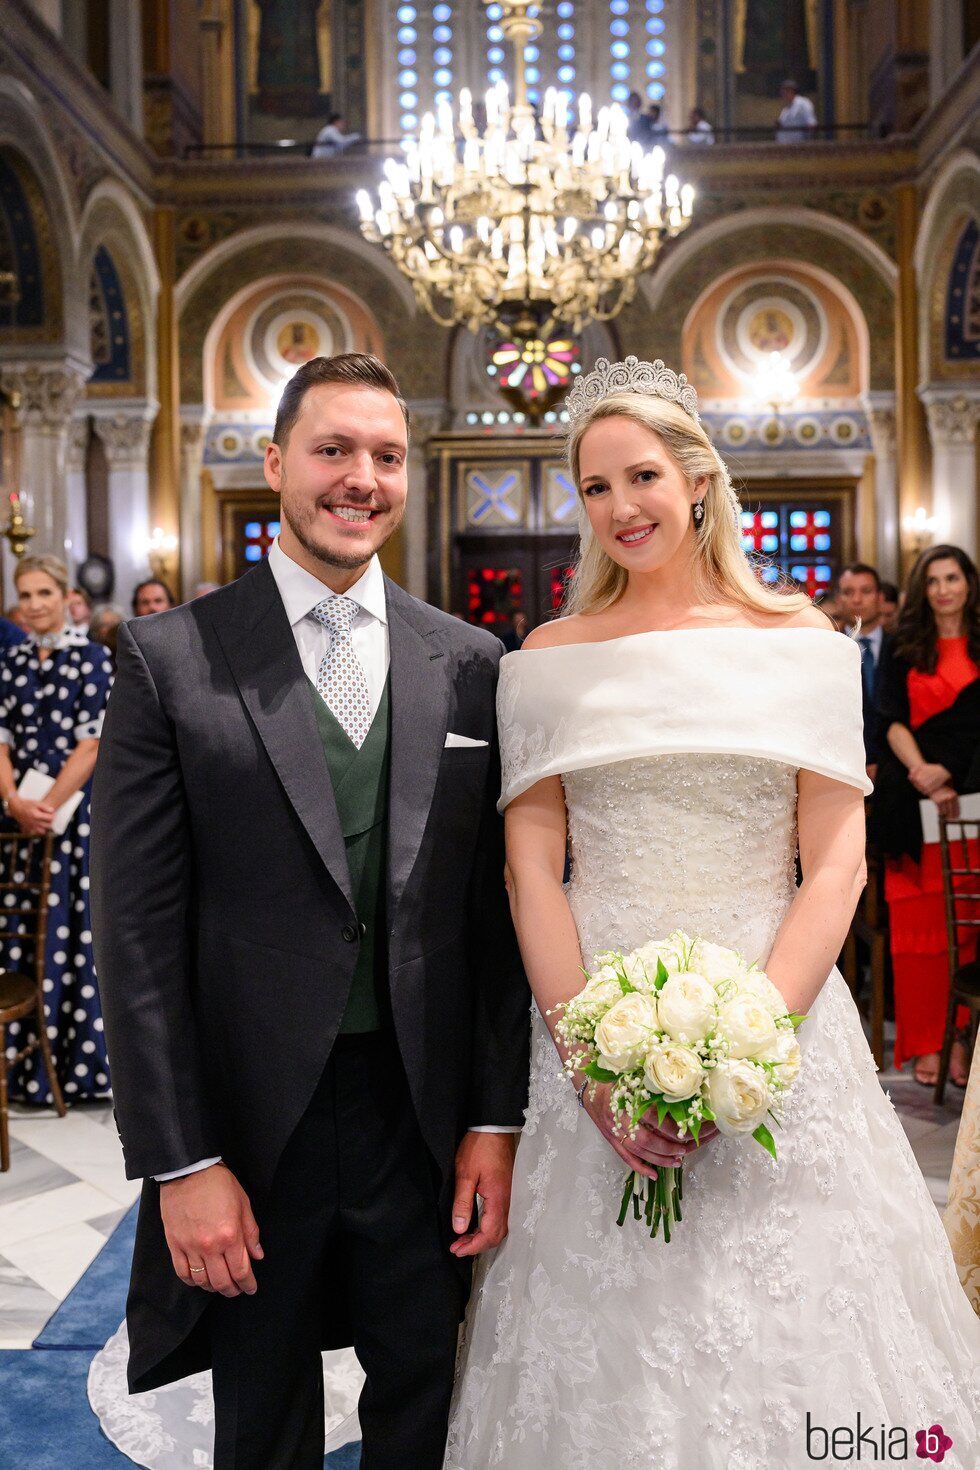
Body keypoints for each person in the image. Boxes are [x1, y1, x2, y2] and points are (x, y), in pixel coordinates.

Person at [445, 358, 980, 1467]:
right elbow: (530, 872)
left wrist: (752, 1041)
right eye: (592, 488)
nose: (618, 508)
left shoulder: (805, 651)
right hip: (589, 1026)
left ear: (695, 478)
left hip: (777, 1025)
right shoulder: (541, 662)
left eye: (638, 475)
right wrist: (589, 1063)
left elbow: (830, 870)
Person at [90, 352, 528, 1470]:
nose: (360, 478)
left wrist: (494, 1119)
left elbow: (487, 926)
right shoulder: (172, 657)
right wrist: (181, 1164)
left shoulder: (471, 663)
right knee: (264, 1422)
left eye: (385, 456)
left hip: (417, 1117)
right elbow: (135, 937)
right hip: (250, 1129)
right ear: (277, 462)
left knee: (422, 1407)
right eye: (333, 450)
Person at [0, 554, 113, 1104]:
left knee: (74, 934)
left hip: (72, 822)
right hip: (19, 821)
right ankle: (22, 1069)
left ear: (64, 595)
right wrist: (14, 801)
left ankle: (77, 1068)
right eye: (25, 594)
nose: (34, 604)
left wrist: (47, 804)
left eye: (43, 592)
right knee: (22, 938)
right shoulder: (9, 662)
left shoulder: (93, 659)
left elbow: (92, 742)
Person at [872, 545, 980, 1087]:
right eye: (933, 580)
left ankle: (963, 1043)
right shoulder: (903, 645)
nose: (943, 589)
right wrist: (922, 772)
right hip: (911, 808)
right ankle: (922, 1045)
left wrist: (951, 775)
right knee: (919, 937)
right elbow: (888, 718)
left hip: (971, 805)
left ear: (968, 583)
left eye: (952, 578)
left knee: (966, 934)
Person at [837, 561, 892, 779]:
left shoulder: (904, 649)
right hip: (843, 768)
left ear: (880, 598)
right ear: (839, 599)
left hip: (895, 772)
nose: (857, 599)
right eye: (848, 592)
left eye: (866, 591)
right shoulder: (828, 649)